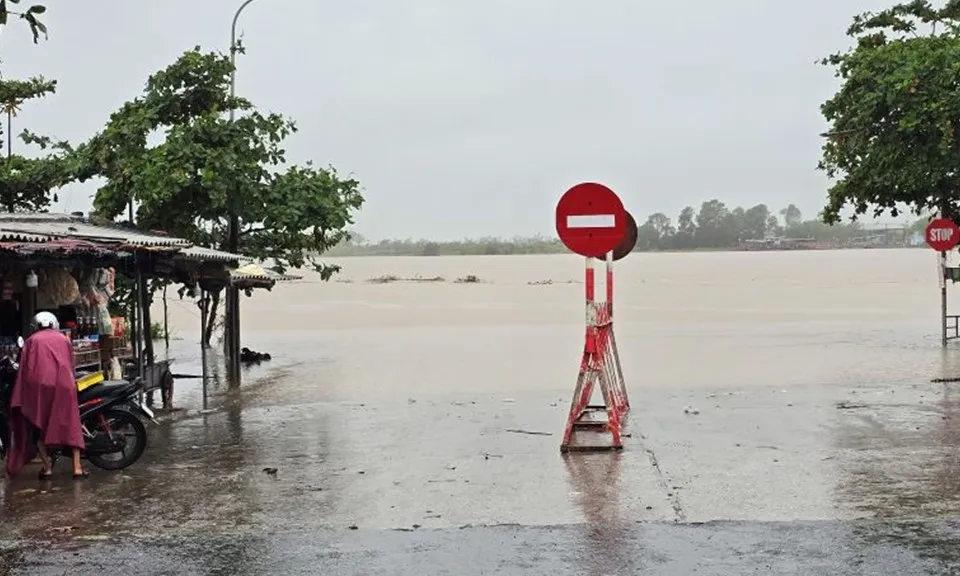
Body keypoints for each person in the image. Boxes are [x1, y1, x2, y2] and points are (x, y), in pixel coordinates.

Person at [5, 311, 86, 480]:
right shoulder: (64, 339)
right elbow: (71, 363)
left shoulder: (31, 341)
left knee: (38, 426)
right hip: (64, 385)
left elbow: (24, 368)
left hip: (39, 387)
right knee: (72, 424)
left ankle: (47, 467)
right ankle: (77, 467)